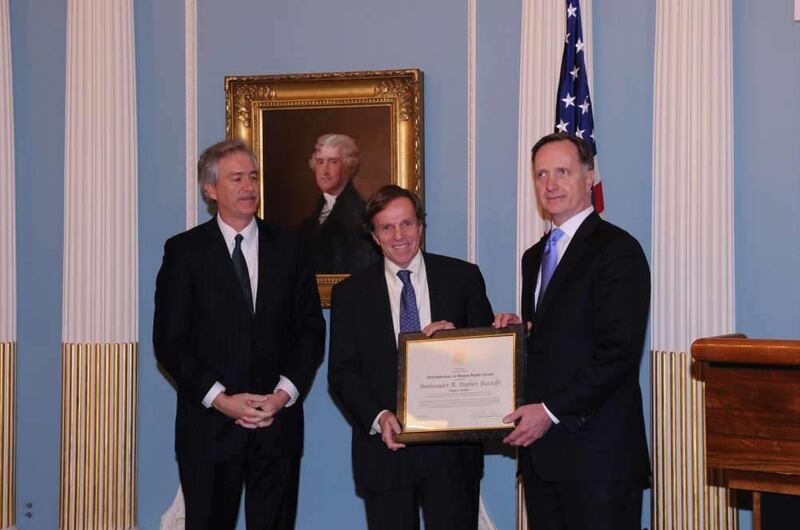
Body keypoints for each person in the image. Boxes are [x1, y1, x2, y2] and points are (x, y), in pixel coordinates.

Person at [153, 139, 325, 530]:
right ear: (210, 190)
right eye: (236, 178)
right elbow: (170, 342)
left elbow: (310, 330)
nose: (249, 187)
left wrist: (282, 395)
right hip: (208, 428)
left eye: (253, 176)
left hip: (276, 425)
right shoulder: (184, 252)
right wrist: (221, 400)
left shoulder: (291, 247)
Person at [494, 133, 651, 530]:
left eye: (563, 172)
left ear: (589, 177)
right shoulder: (534, 257)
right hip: (543, 460)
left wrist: (549, 411)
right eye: (541, 174)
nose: (550, 184)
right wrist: (516, 336)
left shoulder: (618, 250)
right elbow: (559, 336)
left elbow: (617, 354)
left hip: (599, 459)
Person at [328, 185, 494, 530]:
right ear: (374, 236)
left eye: (406, 223)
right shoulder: (350, 294)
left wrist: (457, 344)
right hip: (385, 453)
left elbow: (487, 361)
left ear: (420, 225)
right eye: (387, 227)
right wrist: (380, 417)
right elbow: (342, 374)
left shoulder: (463, 279)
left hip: (452, 457)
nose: (399, 235)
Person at [300, 133, 380, 274]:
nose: (325, 171)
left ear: (349, 167)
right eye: (320, 162)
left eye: (333, 162)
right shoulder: (311, 218)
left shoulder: (361, 216)